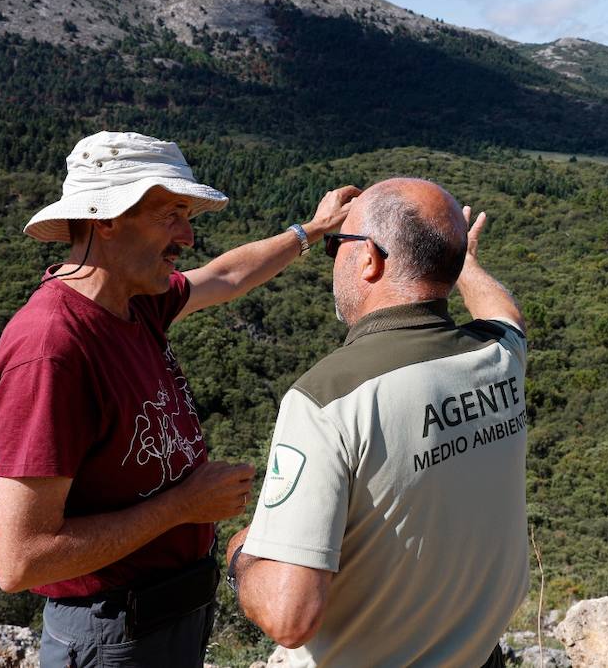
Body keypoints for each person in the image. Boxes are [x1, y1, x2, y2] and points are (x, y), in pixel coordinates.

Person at [0, 130, 358, 668]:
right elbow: (21, 560)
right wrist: (183, 506)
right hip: (110, 635)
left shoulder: (136, 304)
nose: (187, 235)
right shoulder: (51, 350)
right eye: (170, 215)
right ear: (105, 218)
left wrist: (311, 231)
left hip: (161, 621)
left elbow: (227, 275)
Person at [224, 177, 529, 668]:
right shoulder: (500, 356)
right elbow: (503, 310)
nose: (334, 260)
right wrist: (463, 264)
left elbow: (289, 617)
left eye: (336, 245)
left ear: (369, 258)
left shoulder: (326, 400)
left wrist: (243, 558)